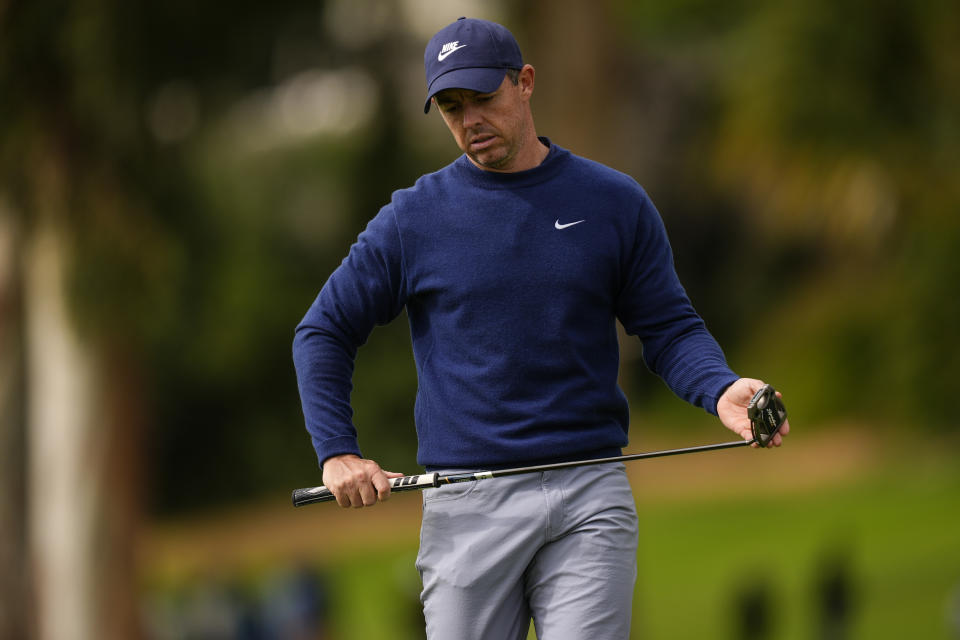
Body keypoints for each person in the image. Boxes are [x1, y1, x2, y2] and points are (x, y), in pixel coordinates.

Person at [293, 17, 790, 640]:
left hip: (590, 494)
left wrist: (719, 389)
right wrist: (337, 451)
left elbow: (667, 326)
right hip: (468, 509)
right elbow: (323, 330)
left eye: (483, 97)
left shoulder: (614, 202)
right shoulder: (412, 219)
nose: (470, 118)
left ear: (524, 83)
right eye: (451, 105)